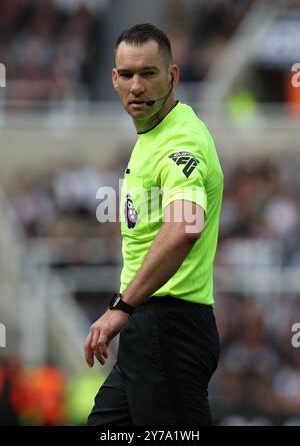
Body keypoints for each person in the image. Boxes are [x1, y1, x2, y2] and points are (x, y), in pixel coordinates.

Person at [84, 23, 223, 426]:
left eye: (148, 73)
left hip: (170, 328)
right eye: (126, 75)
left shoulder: (180, 142)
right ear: (113, 79)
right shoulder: (154, 134)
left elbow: (185, 226)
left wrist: (121, 306)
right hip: (149, 329)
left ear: (173, 76)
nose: (136, 86)